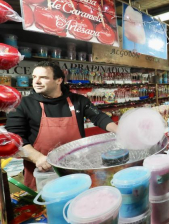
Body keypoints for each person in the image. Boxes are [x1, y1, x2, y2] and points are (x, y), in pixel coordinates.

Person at [6, 61, 118, 190]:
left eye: (43, 77)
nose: (36, 81)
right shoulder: (23, 104)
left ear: (59, 80)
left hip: (77, 166)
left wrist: (119, 131)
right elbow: (14, 138)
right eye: (34, 77)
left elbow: (98, 117)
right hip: (43, 170)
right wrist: (37, 157)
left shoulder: (78, 100)